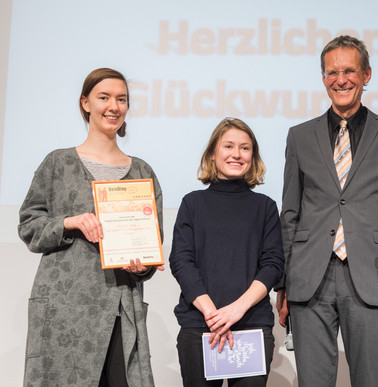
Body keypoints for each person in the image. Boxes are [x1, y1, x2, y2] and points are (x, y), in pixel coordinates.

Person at [275, 35, 378, 386]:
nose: (341, 80)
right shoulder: (299, 136)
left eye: (350, 70)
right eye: (332, 72)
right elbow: (290, 212)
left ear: (366, 74)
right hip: (309, 280)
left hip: (373, 277)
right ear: (323, 78)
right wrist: (286, 284)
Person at [18, 68, 163, 386]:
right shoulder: (58, 164)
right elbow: (29, 225)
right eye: (104, 97)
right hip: (64, 313)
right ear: (85, 103)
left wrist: (141, 266)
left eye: (121, 99)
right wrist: (69, 223)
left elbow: (152, 248)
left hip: (119, 311)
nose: (114, 106)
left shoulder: (142, 172)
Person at [169, 117, 284, 387]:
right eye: (228, 146)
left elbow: (273, 264)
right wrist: (213, 314)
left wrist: (234, 311)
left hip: (251, 326)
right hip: (199, 325)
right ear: (213, 153)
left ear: (252, 156)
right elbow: (181, 261)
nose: (236, 154)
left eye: (245, 148)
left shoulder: (265, 207)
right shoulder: (192, 203)